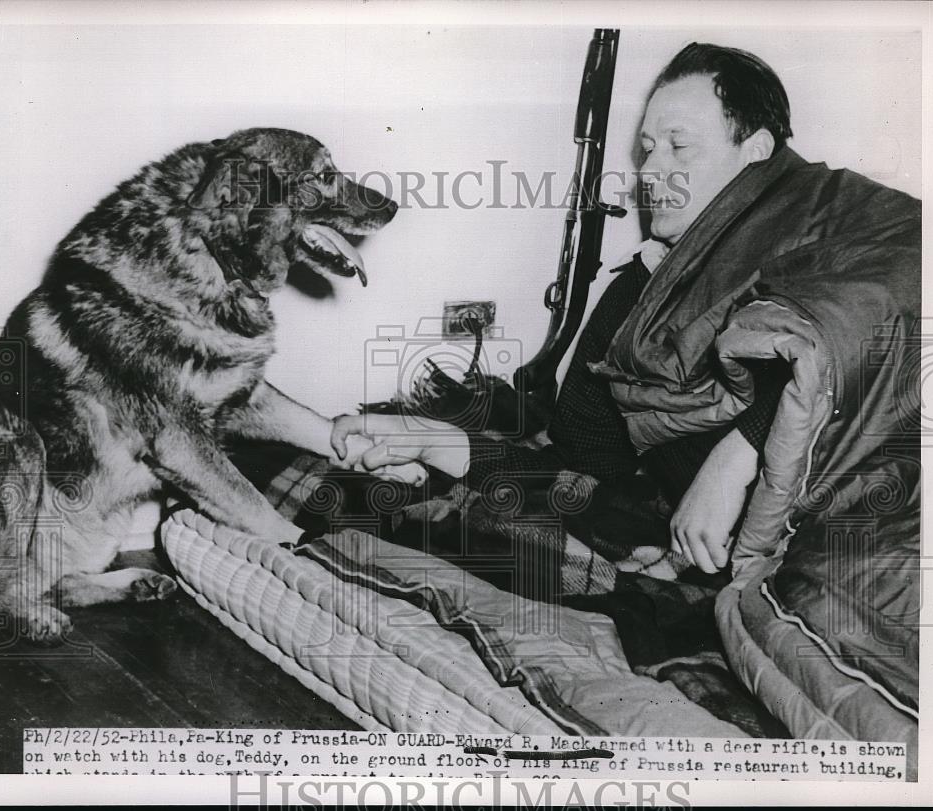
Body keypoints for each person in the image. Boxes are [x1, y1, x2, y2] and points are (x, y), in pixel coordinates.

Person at [330, 43, 801, 576]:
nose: (651, 171)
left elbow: (856, 354)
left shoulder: (825, 253)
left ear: (756, 150)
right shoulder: (647, 279)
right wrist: (436, 442)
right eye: (647, 149)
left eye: (679, 148)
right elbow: (586, 462)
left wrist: (737, 454)